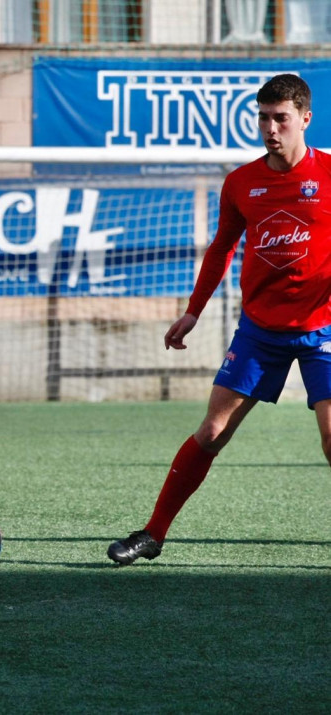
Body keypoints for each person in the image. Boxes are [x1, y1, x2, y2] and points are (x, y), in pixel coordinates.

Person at [107, 73, 331, 565]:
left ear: (305, 119)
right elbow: (221, 249)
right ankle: (152, 535)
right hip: (260, 330)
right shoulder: (242, 183)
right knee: (211, 432)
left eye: (282, 119)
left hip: (323, 331)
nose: (271, 129)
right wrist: (192, 311)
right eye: (263, 118)